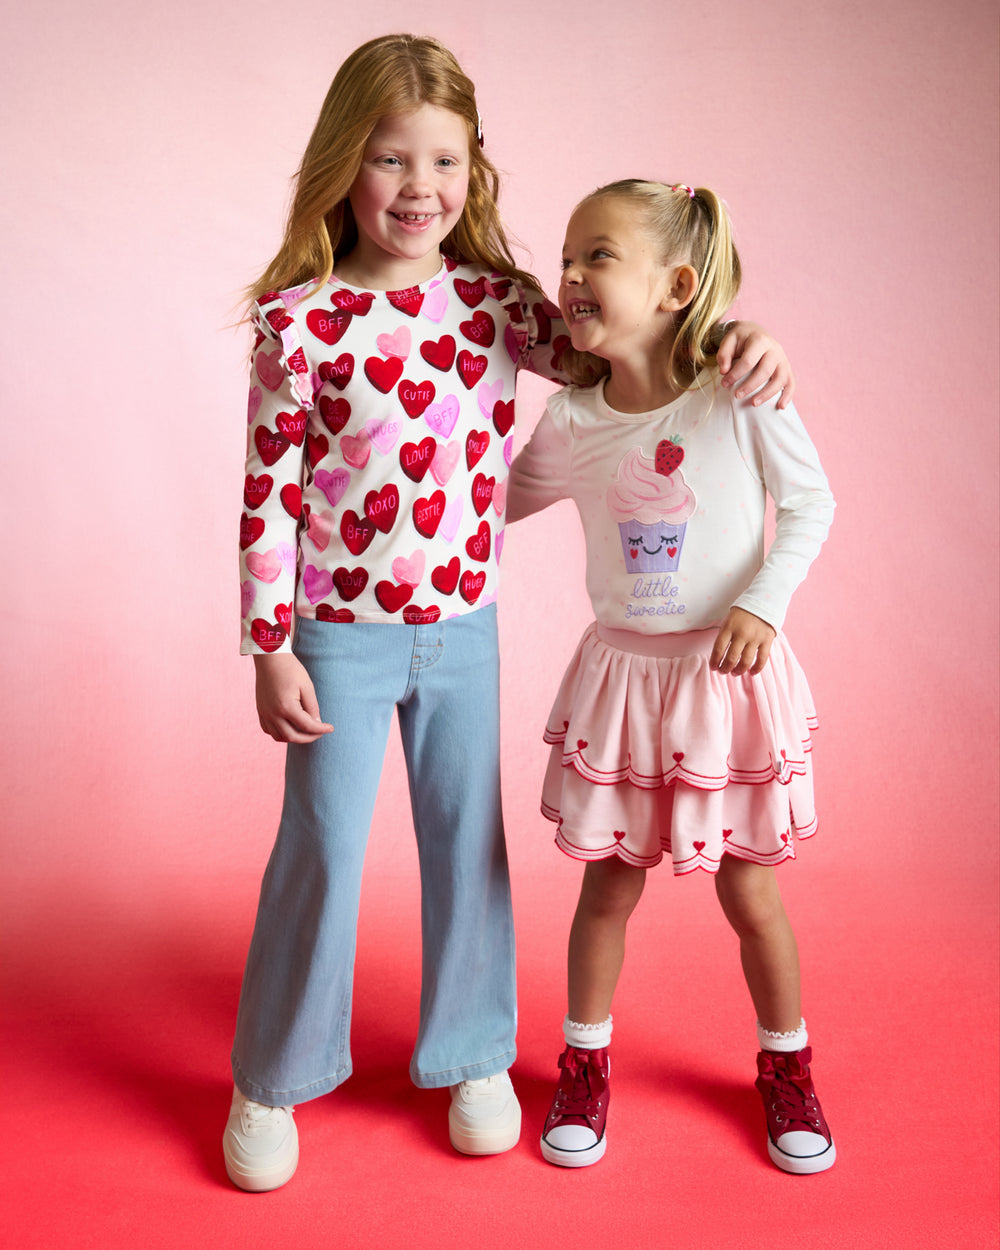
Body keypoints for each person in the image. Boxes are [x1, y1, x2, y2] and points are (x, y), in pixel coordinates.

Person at [226, 33, 797, 1193]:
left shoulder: (495, 305)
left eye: (443, 161)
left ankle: (476, 1053)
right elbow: (266, 492)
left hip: (461, 630)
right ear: (346, 165)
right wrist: (268, 641)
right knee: (323, 849)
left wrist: (739, 340)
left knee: (464, 845)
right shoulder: (301, 324)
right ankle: (272, 1075)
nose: (419, 189)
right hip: (337, 631)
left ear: (472, 171)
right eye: (392, 160)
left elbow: (626, 354)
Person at [507, 180, 836, 1175]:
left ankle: (786, 1065)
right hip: (623, 685)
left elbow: (810, 503)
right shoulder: (571, 419)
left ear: (676, 284)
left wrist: (761, 602)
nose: (568, 275)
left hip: (723, 677)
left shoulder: (736, 392)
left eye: (595, 256)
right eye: (566, 255)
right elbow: (484, 507)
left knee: (752, 895)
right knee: (605, 890)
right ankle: (584, 1059)